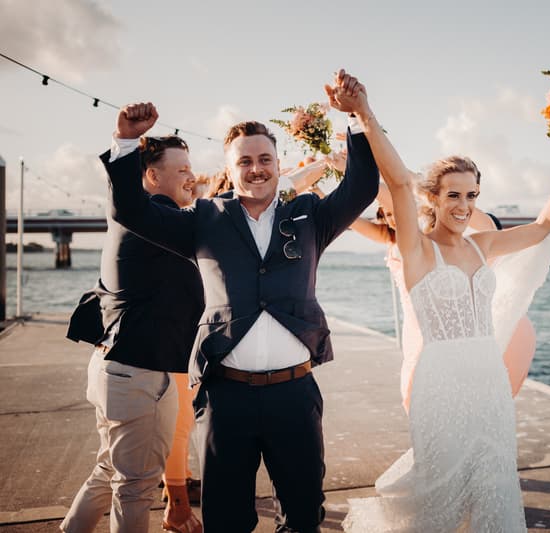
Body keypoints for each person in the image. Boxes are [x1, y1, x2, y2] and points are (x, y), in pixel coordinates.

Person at [102, 71, 378, 533]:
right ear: (229, 170)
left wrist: (357, 116)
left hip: (295, 394)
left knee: (304, 516)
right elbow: (130, 211)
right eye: (244, 161)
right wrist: (126, 142)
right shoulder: (203, 219)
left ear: (278, 164)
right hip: (225, 398)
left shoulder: (310, 216)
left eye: (264, 159)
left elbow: (362, 186)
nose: (256, 169)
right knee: (226, 520)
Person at [332, 78, 550, 531]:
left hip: (489, 379)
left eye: (471, 195)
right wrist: (364, 114)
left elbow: (543, 226)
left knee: (494, 483)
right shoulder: (416, 249)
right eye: (453, 195)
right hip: (440, 383)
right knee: (439, 494)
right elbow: (398, 181)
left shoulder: (481, 245)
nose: (463, 205)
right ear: (432, 198)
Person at [63, 135, 205, 533]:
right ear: (152, 176)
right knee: (135, 487)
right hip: (140, 375)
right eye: (182, 170)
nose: (192, 177)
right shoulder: (154, 217)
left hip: (112, 366)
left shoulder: (142, 221)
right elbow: (204, 221)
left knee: (109, 468)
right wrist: (124, 141)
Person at [348, 183, 538, 411]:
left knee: (436, 385)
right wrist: (324, 194)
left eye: (394, 212)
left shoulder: (424, 242)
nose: (392, 218)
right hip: (413, 323)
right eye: (386, 215)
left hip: (433, 320)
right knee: (418, 387)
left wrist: (364, 173)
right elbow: (354, 219)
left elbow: (398, 200)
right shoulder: (392, 239)